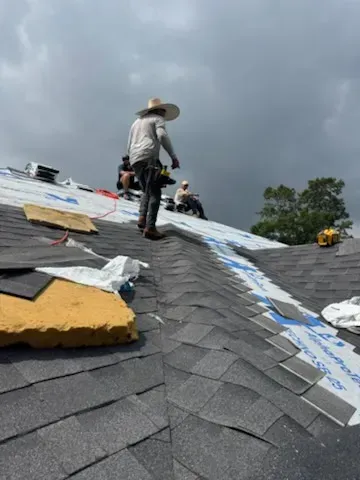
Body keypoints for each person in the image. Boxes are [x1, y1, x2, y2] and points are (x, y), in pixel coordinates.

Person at [127, 97, 180, 240]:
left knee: (146, 189)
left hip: (135, 158)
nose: (163, 114)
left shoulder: (136, 122)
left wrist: (132, 158)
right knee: (155, 191)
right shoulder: (157, 119)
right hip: (149, 156)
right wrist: (173, 156)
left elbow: (129, 144)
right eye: (163, 111)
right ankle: (150, 227)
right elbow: (162, 136)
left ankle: (142, 217)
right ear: (159, 110)